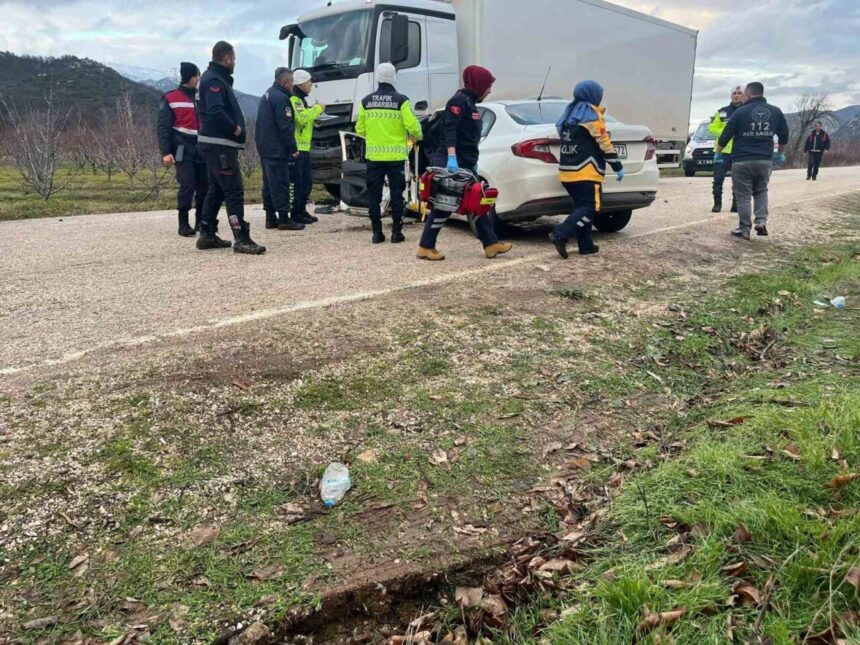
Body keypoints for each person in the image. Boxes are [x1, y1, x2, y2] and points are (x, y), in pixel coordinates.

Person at [417, 66, 512, 260]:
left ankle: (491, 244)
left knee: (476, 202)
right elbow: (450, 131)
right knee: (445, 203)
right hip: (453, 161)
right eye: (487, 86)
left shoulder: (471, 102)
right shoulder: (458, 101)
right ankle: (425, 246)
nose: (489, 91)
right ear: (478, 83)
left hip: (466, 162)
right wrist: (451, 158)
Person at [196, 41, 265, 254]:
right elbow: (216, 110)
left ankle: (206, 233)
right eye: (234, 59)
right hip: (220, 145)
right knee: (233, 190)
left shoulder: (211, 78)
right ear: (227, 58)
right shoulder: (214, 80)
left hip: (213, 144)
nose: (234, 63)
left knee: (216, 190)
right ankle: (241, 237)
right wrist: (235, 128)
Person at [548, 80, 624, 259]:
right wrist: (617, 165)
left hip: (567, 172)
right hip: (586, 171)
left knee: (582, 206)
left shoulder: (568, 115)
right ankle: (561, 234)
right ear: (593, 95)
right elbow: (604, 142)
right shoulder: (591, 115)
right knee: (591, 207)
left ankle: (586, 244)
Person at [356, 62, 423, 244]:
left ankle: (377, 233)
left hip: (374, 157)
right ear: (394, 78)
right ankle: (396, 233)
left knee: (374, 195)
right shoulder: (401, 100)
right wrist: (419, 135)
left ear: (377, 78)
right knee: (396, 194)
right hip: (395, 158)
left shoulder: (366, 101)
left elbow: (359, 129)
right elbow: (412, 125)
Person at [716, 82, 789, 240]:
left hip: (741, 160)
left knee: (743, 195)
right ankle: (761, 221)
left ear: (748, 95)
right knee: (761, 190)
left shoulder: (740, 112)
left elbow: (725, 135)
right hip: (764, 159)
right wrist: (779, 154)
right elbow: (784, 135)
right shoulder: (776, 111)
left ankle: (744, 229)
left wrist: (719, 154)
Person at [157, 62, 207, 237]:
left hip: (202, 148)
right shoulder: (170, 98)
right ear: (191, 77)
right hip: (180, 149)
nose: (199, 79)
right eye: (197, 76)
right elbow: (163, 127)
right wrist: (165, 152)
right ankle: (183, 223)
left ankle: (202, 221)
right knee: (187, 185)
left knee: (204, 187)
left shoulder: (202, 97)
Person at [256, 67, 303, 231]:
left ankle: (270, 217)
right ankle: (284, 218)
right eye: (292, 82)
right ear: (285, 82)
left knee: (269, 183)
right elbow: (285, 126)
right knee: (280, 182)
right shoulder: (282, 99)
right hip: (276, 148)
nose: (292, 86)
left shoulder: (267, 94)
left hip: (264, 146)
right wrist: (293, 147)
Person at [290, 70, 325, 226]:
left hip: (304, 147)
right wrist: (318, 109)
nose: (311, 84)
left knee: (306, 182)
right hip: (298, 148)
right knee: (300, 182)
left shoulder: (301, 100)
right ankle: (296, 212)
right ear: (301, 83)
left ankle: (301, 209)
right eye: (309, 81)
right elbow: (302, 118)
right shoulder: (295, 99)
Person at [708, 86, 744, 213]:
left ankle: (735, 204)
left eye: (739, 93)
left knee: (738, 181)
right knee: (718, 180)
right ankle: (717, 204)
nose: (736, 95)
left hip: (739, 152)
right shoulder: (722, 112)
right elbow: (711, 128)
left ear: (743, 96)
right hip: (722, 152)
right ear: (731, 96)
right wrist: (725, 131)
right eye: (734, 93)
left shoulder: (746, 111)